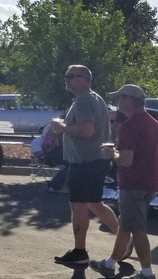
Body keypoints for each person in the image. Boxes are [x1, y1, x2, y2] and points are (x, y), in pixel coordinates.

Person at [88, 85, 158, 279]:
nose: (117, 103)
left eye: (119, 98)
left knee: (137, 229)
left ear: (129, 100)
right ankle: (109, 263)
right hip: (146, 185)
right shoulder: (154, 124)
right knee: (126, 226)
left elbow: (127, 160)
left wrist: (110, 154)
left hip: (132, 185)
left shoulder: (131, 126)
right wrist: (155, 184)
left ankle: (147, 274)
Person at [50, 65, 120, 265]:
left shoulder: (83, 101)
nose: (67, 79)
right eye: (66, 76)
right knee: (95, 204)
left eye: (71, 76)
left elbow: (86, 130)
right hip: (96, 161)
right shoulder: (96, 98)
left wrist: (61, 127)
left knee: (79, 206)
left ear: (85, 79)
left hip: (84, 162)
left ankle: (80, 252)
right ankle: (124, 239)